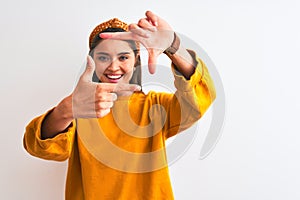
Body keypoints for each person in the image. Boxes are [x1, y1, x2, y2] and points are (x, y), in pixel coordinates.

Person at [23, 10, 216, 200]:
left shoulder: (154, 106)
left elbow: (200, 99)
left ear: (135, 61)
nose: (113, 67)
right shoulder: (81, 108)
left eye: (123, 57)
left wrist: (174, 47)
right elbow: (38, 147)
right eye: (103, 57)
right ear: (92, 61)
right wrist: (66, 110)